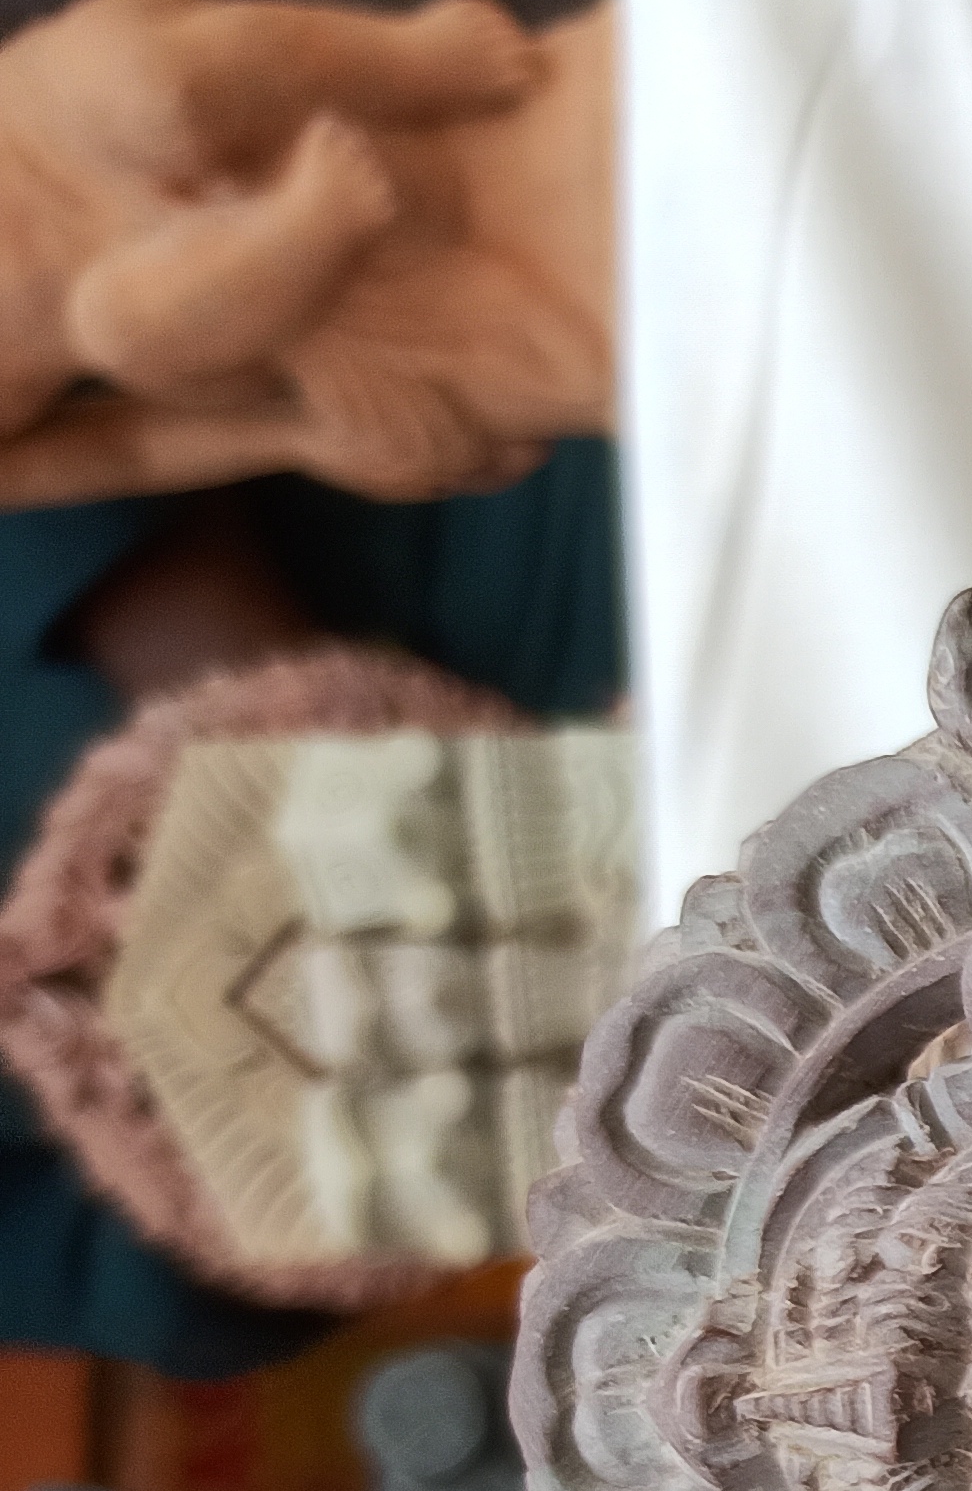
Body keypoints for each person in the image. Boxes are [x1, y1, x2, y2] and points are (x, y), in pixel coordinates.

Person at [0, 447, 621, 1368]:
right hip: (532, 1067)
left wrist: (278, 736)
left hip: (462, 547)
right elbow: (140, 1296)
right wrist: (283, 1149)